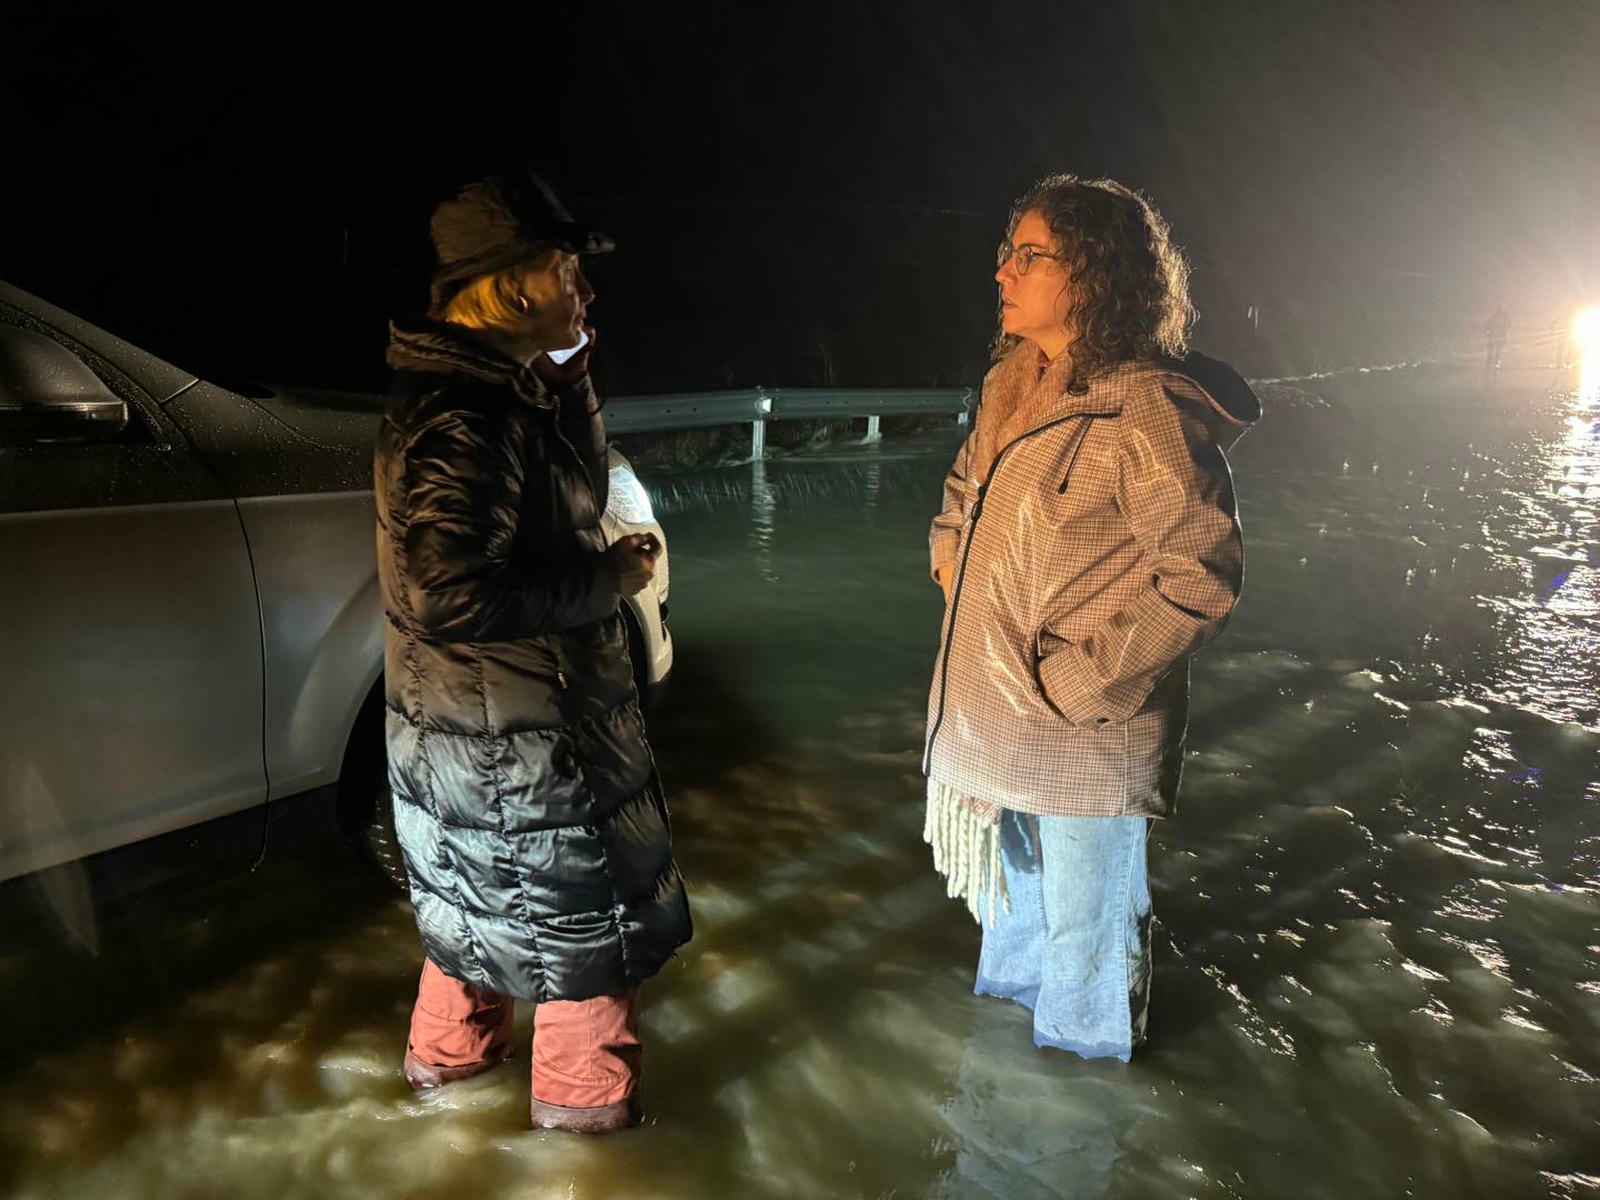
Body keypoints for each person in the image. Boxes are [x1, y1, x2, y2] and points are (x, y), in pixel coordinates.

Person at [374, 170, 692, 1133]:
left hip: (481, 745)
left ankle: (434, 1124)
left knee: (474, 927)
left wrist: (570, 376)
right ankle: (585, 1161)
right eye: (568, 274)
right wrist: (610, 583)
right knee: (584, 945)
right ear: (517, 287)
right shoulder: (468, 418)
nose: (586, 294)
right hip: (525, 748)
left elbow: (576, 496)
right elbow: (449, 594)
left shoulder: (494, 394)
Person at [923, 174, 1259, 1062]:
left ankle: (1080, 1122)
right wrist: (955, 555)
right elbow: (963, 492)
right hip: (999, 715)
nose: (1004, 273)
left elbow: (1200, 573)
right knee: (1016, 927)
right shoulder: (1011, 385)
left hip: (1084, 726)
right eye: (1008, 254)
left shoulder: (1142, 405)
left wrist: (1076, 678)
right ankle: (1000, 1106)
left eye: (1030, 256)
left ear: (1096, 274)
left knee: (1089, 949)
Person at [1485, 305, 1510, 372]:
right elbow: (1508, 326)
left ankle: (1493, 364)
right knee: (1496, 351)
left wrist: (1488, 331)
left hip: (1496, 336)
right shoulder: (1502, 317)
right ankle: (1495, 364)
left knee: (1494, 350)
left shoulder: (1496, 317)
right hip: (1496, 336)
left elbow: (1488, 324)